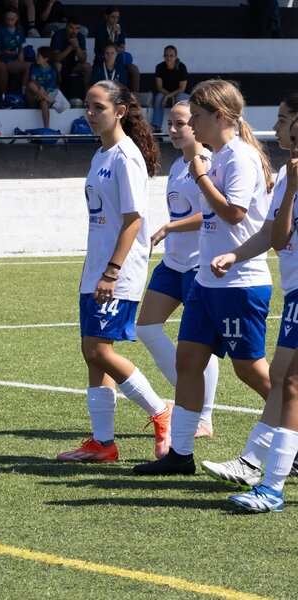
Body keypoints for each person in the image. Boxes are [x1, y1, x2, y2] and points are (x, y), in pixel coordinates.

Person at [133, 79, 274, 477]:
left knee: (249, 369)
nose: (190, 124)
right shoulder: (217, 156)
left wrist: (201, 178)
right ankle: (180, 454)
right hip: (207, 281)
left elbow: (235, 214)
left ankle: (290, 426)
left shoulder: (240, 157)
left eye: (196, 116)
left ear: (220, 116)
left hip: (239, 283)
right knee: (188, 361)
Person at [56, 80, 172, 464]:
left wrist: (111, 271)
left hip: (117, 271)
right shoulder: (101, 154)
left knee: (98, 350)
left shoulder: (126, 156)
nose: (90, 114)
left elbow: (134, 219)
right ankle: (103, 443)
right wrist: (94, 271)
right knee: (92, 354)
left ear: (120, 111)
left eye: (99, 107)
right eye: (87, 106)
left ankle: (161, 411)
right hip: (98, 269)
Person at [200, 95, 298, 496]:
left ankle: (264, 475)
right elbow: (276, 236)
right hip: (294, 292)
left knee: (286, 380)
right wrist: (234, 254)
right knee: (281, 379)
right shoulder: (286, 174)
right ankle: (256, 465)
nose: (275, 128)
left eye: (283, 120)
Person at [135, 101, 218, 439]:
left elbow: (211, 212)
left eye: (180, 123)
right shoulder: (177, 165)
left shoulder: (207, 163)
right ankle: (189, 393)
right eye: (169, 123)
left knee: (199, 343)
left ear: (196, 124)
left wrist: (168, 228)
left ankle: (203, 416)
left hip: (199, 264)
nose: (172, 130)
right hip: (173, 263)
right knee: (146, 328)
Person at [94, 6, 139, 93]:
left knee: (134, 68)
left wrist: (116, 49)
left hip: (117, 58)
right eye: (112, 17)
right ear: (106, 16)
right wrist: (111, 34)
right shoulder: (100, 30)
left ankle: (135, 95)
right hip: (103, 58)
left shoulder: (120, 29)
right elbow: (105, 48)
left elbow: (122, 48)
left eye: (117, 17)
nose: (115, 20)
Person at [0, 7, 30, 104]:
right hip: (3, 60)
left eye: (12, 19)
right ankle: (3, 97)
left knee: (30, 66)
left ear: (17, 18)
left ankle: (24, 93)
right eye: (7, 19)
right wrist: (4, 52)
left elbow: (21, 47)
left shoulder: (20, 29)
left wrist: (20, 57)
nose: (9, 22)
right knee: (3, 67)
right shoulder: (0, 29)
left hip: (14, 60)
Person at [151, 45, 190, 134]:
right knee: (159, 97)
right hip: (166, 96)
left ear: (175, 57)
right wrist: (169, 96)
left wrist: (168, 96)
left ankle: (181, 125)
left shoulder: (181, 67)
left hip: (182, 95)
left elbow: (182, 88)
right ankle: (157, 127)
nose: (168, 58)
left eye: (171, 56)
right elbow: (159, 87)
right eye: (166, 55)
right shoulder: (160, 67)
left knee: (180, 97)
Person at [26, 47, 68, 129]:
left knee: (44, 101)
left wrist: (43, 95)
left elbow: (50, 89)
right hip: (34, 97)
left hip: (45, 96)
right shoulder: (34, 66)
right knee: (31, 84)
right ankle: (52, 102)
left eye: (38, 56)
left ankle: (46, 128)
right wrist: (40, 87)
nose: (36, 57)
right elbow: (32, 80)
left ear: (46, 59)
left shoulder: (53, 71)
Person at [50, 17, 92, 99]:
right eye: (71, 27)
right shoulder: (58, 36)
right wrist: (70, 47)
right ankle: (56, 94)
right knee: (58, 65)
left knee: (87, 66)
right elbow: (57, 58)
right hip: (58, 63)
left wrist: (77, 47)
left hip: (72, 64)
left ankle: (88, 95)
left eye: (77, 28)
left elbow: (84, 59)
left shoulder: (80, 37)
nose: (74, 31)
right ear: (66, 26)